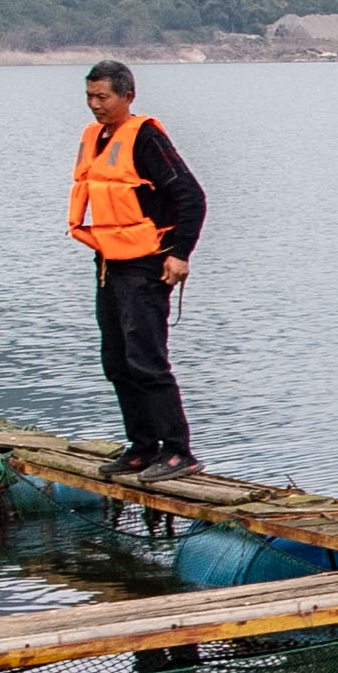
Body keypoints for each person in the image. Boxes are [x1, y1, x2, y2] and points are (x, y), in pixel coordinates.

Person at [69, 59, 208, 476]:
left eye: (103, 97)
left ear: (128, 96)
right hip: (109, 263)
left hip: (147, 265)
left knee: (146, 359)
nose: (95, 105)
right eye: (90, 96)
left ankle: (178, 451)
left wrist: (180, 254)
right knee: (116, 360)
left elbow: (192, 196)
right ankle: (142, 446)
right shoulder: (95, 136)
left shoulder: (144, 136)